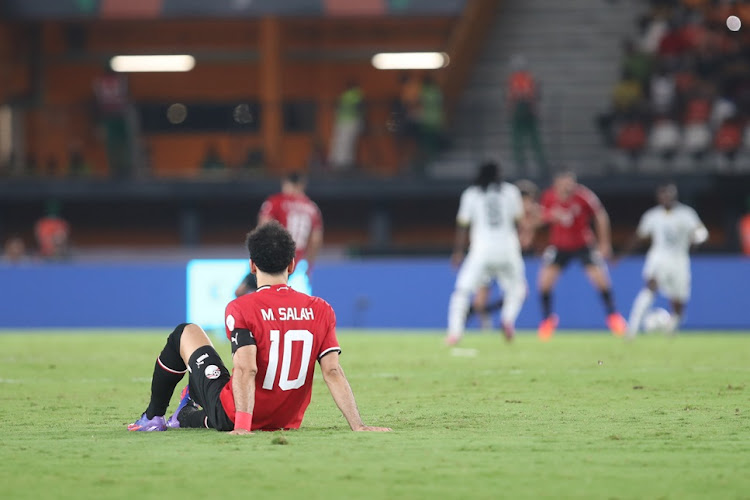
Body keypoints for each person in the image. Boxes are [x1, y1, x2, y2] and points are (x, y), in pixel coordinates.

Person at [128, 222, 390, 433]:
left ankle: (153, 417)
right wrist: (359, 425)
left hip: (239, 414)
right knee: (212, 381)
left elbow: (246, 368)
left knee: (184, 333)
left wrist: (242, 426)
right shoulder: (321, 309)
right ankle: (188, 412)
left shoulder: (242, 307)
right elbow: (332, 371)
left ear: (252, 266)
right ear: (292, 265)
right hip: (284, 420)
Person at [537, 170, 627, 340]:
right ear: (556, 183)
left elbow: (600, 215)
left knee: (601, 280)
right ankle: (547, 321)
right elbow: (540, 216)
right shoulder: (549, 197)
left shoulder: (583, 196)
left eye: (571, 182)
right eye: (564, 182)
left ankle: (614, 317)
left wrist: (604, 243)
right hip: (559, 245)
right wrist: (551, 215)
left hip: (583, 245)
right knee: (544, 283)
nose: (568, 186)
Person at [446, 161, 528, 345]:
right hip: (508, 249)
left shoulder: (471, 194)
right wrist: (524, 238)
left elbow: (462, 225)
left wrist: (458, 252)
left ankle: (455, 333)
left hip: (481, 250)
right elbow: (520, 221)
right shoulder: (511, 192)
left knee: (462, 292)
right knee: (517, 289)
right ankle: (507, 319)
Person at [621, 183, 708, 336]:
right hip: (658, 258)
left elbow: (701, 231)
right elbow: (640, 236)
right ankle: (632, 329)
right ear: (659, 197)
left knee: (679, 302)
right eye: (663, 195)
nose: (666, 198)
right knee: (650, 287)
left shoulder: (686, 214)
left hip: (679, 261)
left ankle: (670, 330)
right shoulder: (652, 216)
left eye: (669, 194)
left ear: (675, 196)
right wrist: (621, 255)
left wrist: (698, 238)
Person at [257, 172, 323, 295]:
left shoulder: (276, 201)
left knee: (249, 291)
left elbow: (264, 226)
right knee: (278, 293)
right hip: (295, 258)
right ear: (302, 185)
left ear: (286, 183)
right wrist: (309, 265)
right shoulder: (312, 207)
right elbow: (315, 240)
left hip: (275, 255)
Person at [506, 55, 547, 178]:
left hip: (525, 110)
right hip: (522, 111)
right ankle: (524, 166)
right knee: (521, 141)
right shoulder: (519, 79)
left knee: (530, 140)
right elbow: (512, 96)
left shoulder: (526, 79)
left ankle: (537, 165)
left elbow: (528, 95)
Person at [328, 81, 364, 171]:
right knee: (348, 143)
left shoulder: (343, 95)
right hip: (351, 121)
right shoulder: (356, 95)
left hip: (340, 122)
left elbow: (336, 108)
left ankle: (338, 162)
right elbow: (360, 107)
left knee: (340, 142)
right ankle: (345, 163)